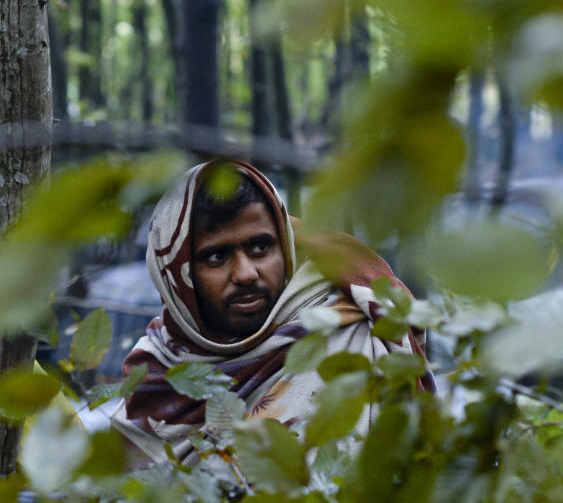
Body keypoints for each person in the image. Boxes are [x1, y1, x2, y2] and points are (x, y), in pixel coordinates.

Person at [109, 160, 433, 464]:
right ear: (178, 277)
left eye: (260, 248)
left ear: (286, 248)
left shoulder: (345, 337)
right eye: (217, 257)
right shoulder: (156, 377)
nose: (246, 273)